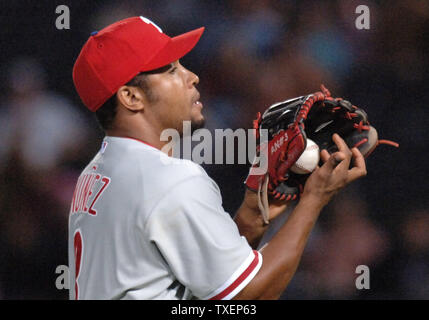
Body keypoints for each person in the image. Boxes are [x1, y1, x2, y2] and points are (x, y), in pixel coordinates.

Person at [69, 16, 367, 300]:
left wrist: (251, 219)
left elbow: (206, 280)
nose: (191, 76)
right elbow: (248, 297)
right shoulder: (169, 179)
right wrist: (314, 199)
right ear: (131, 97)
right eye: (171, 70)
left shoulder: (95, 174)